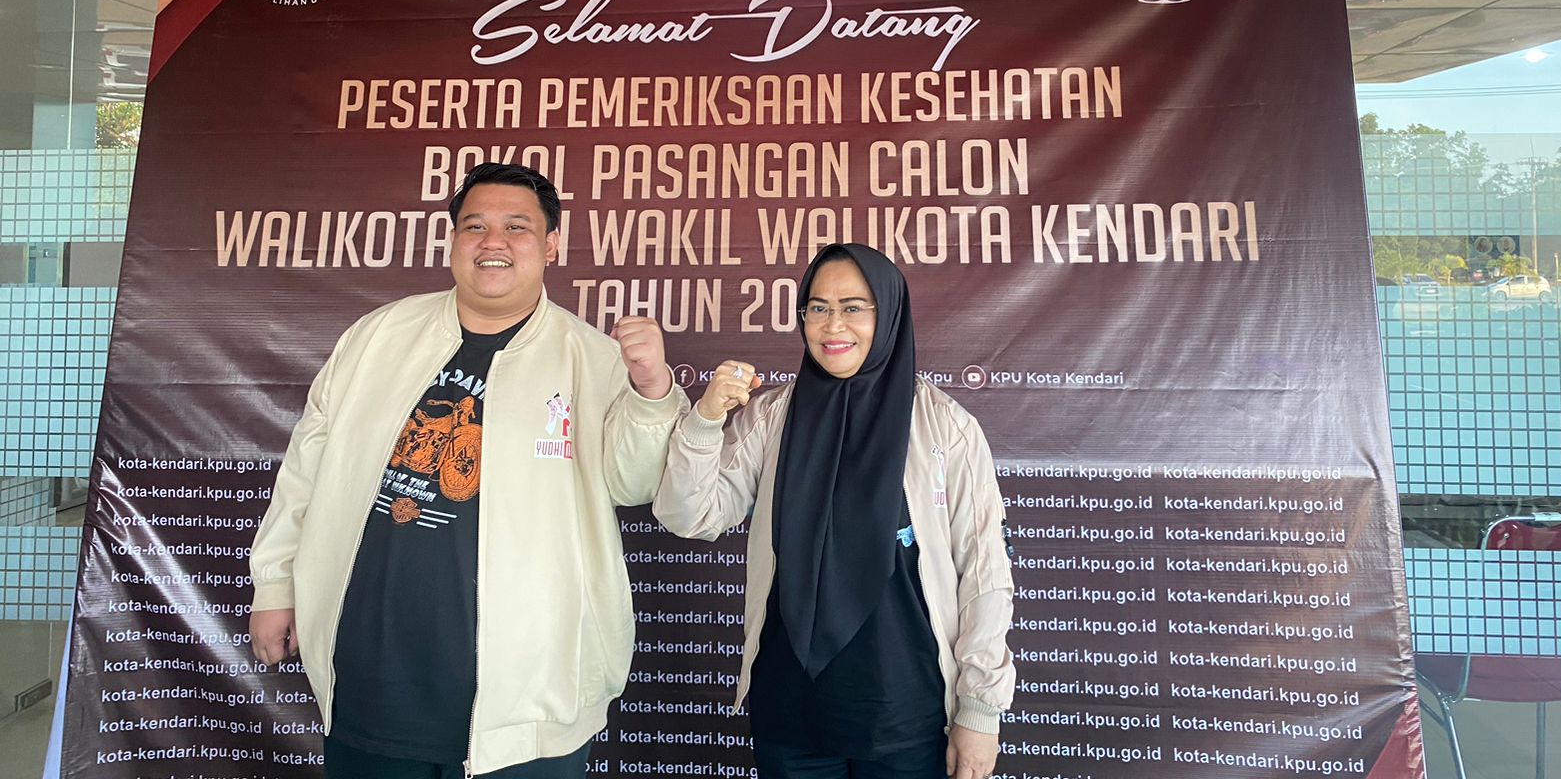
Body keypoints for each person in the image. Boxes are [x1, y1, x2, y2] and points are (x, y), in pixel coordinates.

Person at [248, 162, 688, 778]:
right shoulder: (379, 336)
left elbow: (633, 483)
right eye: (475, 226)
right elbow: (306, 468)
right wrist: (275, 586)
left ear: (551, 245)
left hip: (529, 693)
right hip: (372, 673)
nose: (493, 242)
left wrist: (651, 392)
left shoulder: (593, 358)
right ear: (453, 240)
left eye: (517, 227)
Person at [654, 243, 1014, 779]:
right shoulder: (772, 415)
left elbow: (984, 570)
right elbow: (692, 515)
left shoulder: (946, 427)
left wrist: (980, 710)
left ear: (888, 313)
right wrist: (705, 421)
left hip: (905, 717)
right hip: (790, 714)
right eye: (817, 307)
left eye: (853, 307)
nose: (832, 325)